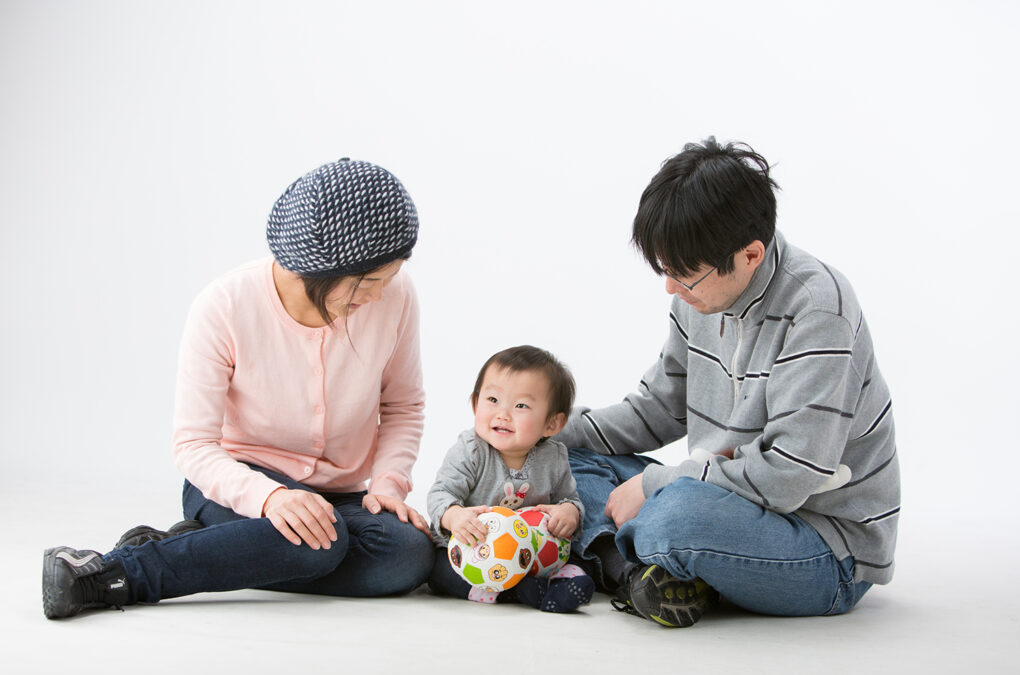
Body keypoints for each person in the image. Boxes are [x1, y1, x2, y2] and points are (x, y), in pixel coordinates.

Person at [42, 158, 435, 619]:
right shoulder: (223, 306)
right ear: (319, 267)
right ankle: (118, 572)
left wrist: (387, 485)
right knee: (316, 547)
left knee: (406, 556)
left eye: (386, 280)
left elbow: (403, 405)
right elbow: (194, 446)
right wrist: (270, 497)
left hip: (342, 499)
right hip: (234, 485)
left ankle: (206, 549)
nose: (377, 297)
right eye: (367, 282)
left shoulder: (397, 296)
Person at [556, 138, 900, 627]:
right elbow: (660, 408)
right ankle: (648, 572)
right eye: (664, 270)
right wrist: (547, 429)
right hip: (723, 494)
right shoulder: (698, 296)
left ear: (750, 254)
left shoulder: (819, 309)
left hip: (823, 546)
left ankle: (633, 559)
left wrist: (656, 484)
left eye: (683, 275)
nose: (671, 288)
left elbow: (787, 477)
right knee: (564, 457)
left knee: (675, 517)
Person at [426, 346, 595, 613]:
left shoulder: (553, 457)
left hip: (530, 553)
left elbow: (569, 498)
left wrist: (568, 512)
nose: (503, 414)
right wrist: (455, 516)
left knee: (577, 558)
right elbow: (440, 494)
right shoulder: (471, 450)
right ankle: (515, 593)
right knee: (438, 569)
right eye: (492, 400)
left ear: (552, 423)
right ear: (474, 403)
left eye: (520, 406)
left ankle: (560, 582)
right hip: (473, 550)